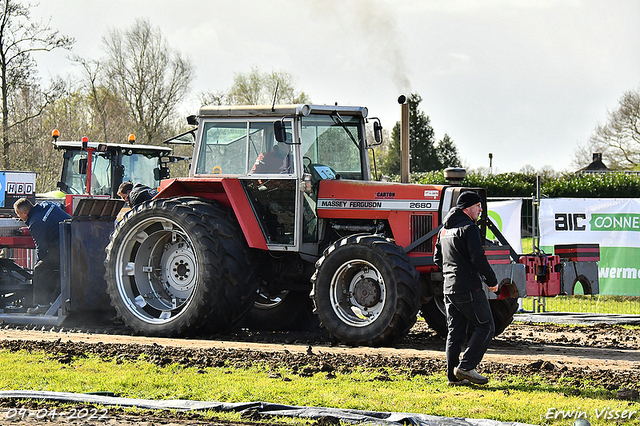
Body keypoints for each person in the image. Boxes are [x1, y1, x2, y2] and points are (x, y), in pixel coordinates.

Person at [433, 191, 498, 386]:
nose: (480, 209)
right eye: (478, 206)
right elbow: (478, 258)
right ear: (467, 208)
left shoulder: (443, 230)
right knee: (486, 326)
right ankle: (466, 367)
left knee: (455, 332)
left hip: (449, 288)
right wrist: (491, 281)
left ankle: (453, 377)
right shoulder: (469, 228)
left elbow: (437, 259)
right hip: (469, 287)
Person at [13, 198, 71, 315]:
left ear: (25, 213)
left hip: (65, 248)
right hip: (75, 239)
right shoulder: (48, 204)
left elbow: (41, 248)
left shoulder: (35, 223)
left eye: (18, 215)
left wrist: (39, 262)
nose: (20, 218)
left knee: (40, 269)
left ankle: (42, 305)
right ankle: (54, 299)